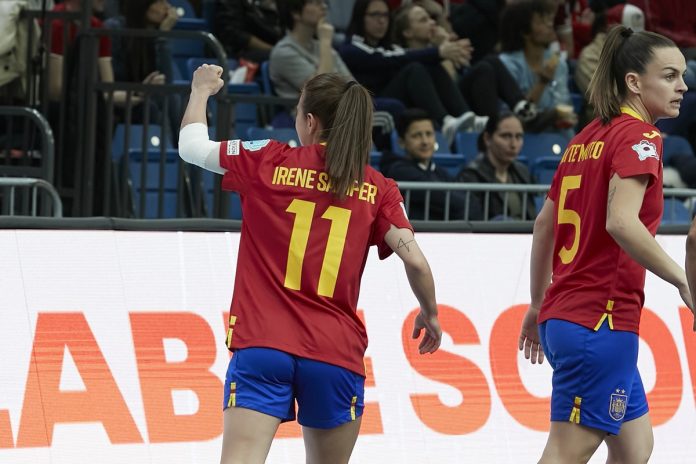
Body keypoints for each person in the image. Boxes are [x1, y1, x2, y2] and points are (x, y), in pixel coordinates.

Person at [178, 66, 442, 464]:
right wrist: (430, 313)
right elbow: (417, 262)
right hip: (334, 354)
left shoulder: (266, 159)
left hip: (263, 344)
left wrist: (200, 91)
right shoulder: (377, 186)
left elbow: (191, 147)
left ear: (310, 121)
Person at [518, 25, 695, 463]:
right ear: (634, 82)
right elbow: (621, 222)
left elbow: (545, 225)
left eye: (683, 75)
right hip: (601, 320)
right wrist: (681, 280)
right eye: (670, 76)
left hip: (570, 318)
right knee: (567, 450)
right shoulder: (642, 137)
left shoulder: (583, 139)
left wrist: (538, 304)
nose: (683, 86)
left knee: (635, 447)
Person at [338, 0, 487, 145]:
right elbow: (387, 59)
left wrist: (441, 51)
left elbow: (401, 54)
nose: (382, 20)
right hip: (371, 103)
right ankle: (444, 121)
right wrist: (439, 52)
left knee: (430, 65)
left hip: (392, 97)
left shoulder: (389, 47)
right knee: (415, 69)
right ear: (360, 17)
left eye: (385, 15)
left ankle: (465, 116)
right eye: (375, 15)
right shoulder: (351, 48)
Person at [499, 0, 578, 137]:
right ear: (525, 32)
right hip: (520, 138)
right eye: (541, 22)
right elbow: (514, 118)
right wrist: (542, 82)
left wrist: (567, 117)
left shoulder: (558, 64)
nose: (549, 25)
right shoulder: (507, 65)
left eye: (549, 20)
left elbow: (563, 105)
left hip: (560, 137)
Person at [383, 108, 478, 220]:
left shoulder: (439, 171)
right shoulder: (399, 171)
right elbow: (457, 202)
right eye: (416, 135)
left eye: (429, 134)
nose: (425, 141)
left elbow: (472, 202)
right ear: (401, 142)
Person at [457, 112, 536, 220]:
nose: (513, 144)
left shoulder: (523, 172)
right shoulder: (471, 176)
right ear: (487, 138)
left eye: (518, 137)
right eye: (506, 136)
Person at [269, 0, 352, 100]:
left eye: (323, 2)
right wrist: (325, 41)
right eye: (316, 2)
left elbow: (351, 85)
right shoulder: (284, 52)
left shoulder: (320, 45)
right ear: (295, 13)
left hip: (341, 109)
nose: (324, 7)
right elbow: (322, 93)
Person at [213, 0, 283, 62]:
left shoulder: (255, 4)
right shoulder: (229, 3)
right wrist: (273, 50)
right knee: (283, 56)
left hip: (266, 46)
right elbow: (234, 35)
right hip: (237, 52)